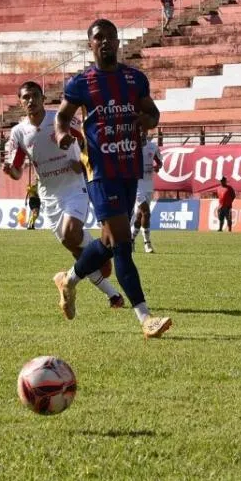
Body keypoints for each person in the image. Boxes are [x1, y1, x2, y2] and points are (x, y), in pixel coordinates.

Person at [51, 21, 171, 337]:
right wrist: (62, 133)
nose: (104, 42)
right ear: (90, 45)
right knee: (121, 242)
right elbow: (62, 117)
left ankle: (69, 280)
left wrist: (148, 119)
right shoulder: (81, 83)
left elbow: (153, 113)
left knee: (106, 242)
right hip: (99, 171)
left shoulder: (134, 79)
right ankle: (145, 318)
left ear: (118, 42)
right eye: (97, 38)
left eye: (109, 37)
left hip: (129, 169)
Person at [4, 81, 124, 308]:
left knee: (71, 232)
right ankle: (112, 294)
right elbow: (17, 171)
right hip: (49, 194)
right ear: (20, 103)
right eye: (25, 97)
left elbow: (89, 141)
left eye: (34, 96)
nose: (30, 101)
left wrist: (82, 160)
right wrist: (10, 170)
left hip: (73, 187)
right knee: (75, 248)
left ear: (43, 98)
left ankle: (94, 263)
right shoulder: (18, 133)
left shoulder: (61, 119)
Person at [131, 135, 162, 254]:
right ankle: (147, 243)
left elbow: (159, 162)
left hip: (149, 184)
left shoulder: (153, 147)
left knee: (140, 216)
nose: (142, 136)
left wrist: (157, 167)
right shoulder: (131, 147)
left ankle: (131, 240)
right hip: (136, 184)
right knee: (146, 212)